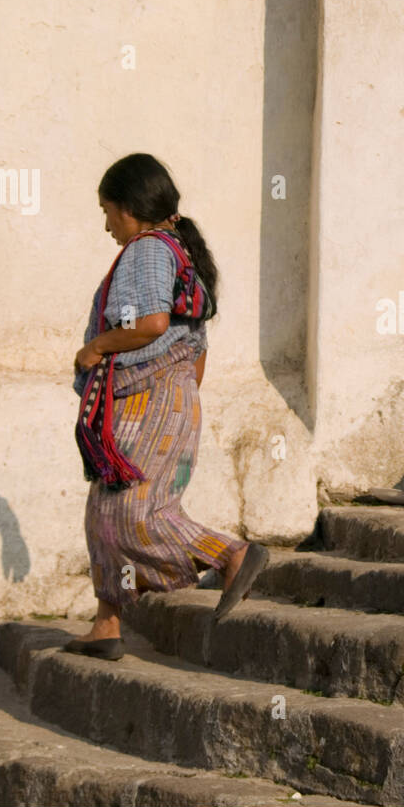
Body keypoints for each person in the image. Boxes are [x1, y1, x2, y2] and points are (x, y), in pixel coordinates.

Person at [65, 153, 267, 660]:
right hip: (166, 395)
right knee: (103, 514)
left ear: (131, 207)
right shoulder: (175, 250)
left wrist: (97, 348)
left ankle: (230, 554)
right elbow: (192, 343)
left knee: (132, 512)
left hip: (150, 399)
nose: (106, 223)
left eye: (108, 210)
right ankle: (106, 625)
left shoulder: (148, 250)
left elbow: (152, 323)